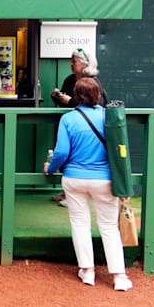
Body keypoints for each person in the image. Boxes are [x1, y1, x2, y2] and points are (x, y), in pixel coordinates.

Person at [45, 77, 132, 292]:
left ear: (76, 96)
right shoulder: (109, 117)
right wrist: (124, 184)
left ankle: (87, 271)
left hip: (74, 178)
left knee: (80, 224)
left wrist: (51, 168)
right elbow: (120, 151)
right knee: (109, 227)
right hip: (104, 179)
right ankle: (119, 276)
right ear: (99, 95)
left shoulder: (68, 119)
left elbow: (61, 152)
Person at [50, 48, 108, 206]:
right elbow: (63, 101)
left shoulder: (93, 82)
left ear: (84, 64)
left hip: (87, 130)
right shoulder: (70, 80)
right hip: (70, 126)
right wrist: (56, 96)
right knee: (66, 155)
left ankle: (77, 195)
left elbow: (95, 105)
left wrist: (70, 101)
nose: (71, 64)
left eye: (74, 61)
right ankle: (67, 193)